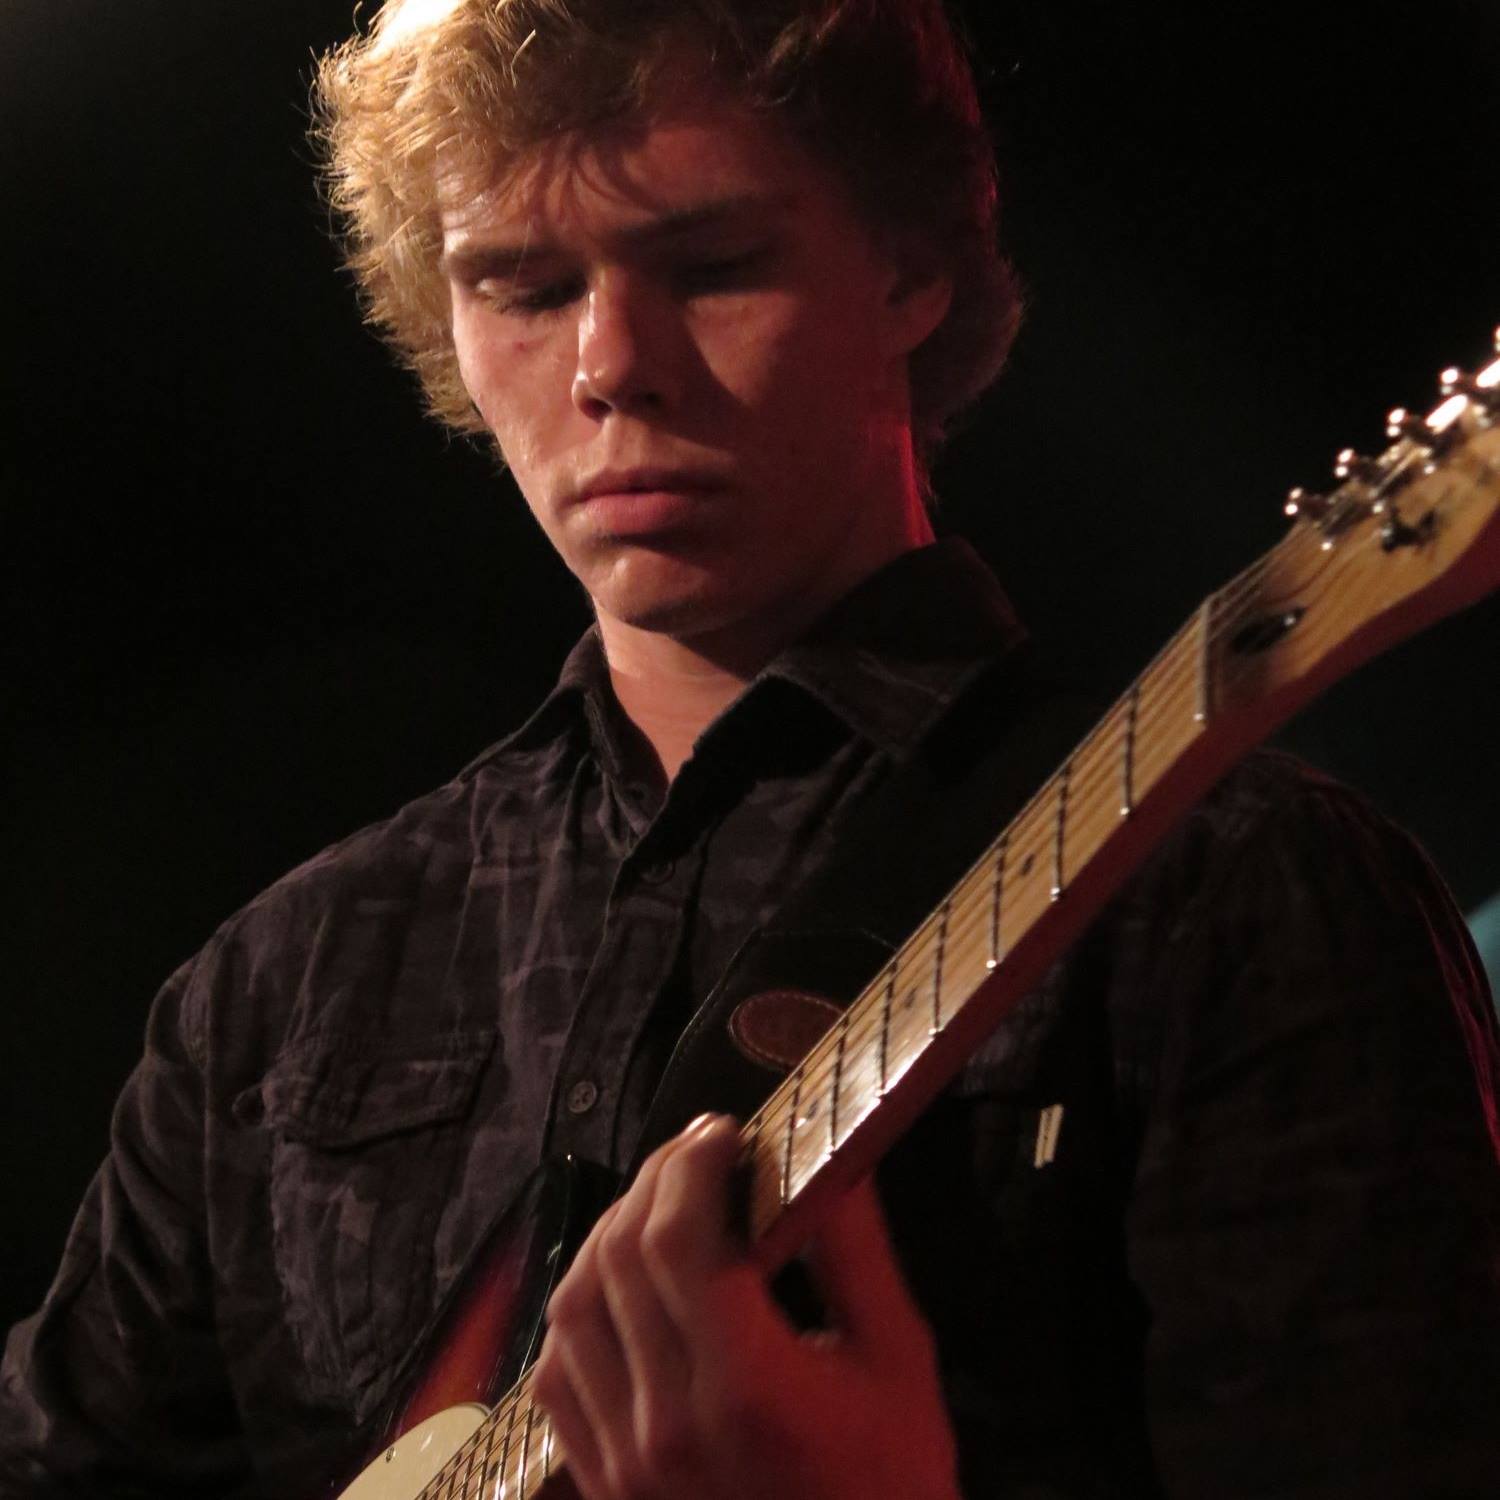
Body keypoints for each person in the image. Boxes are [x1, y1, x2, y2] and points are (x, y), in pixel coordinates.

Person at [3, 1, 1498, 1496]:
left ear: (910, 268)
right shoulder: (277, 995)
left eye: (712, 264)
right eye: (524, 289)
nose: (612, 363)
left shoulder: (1235, 888)